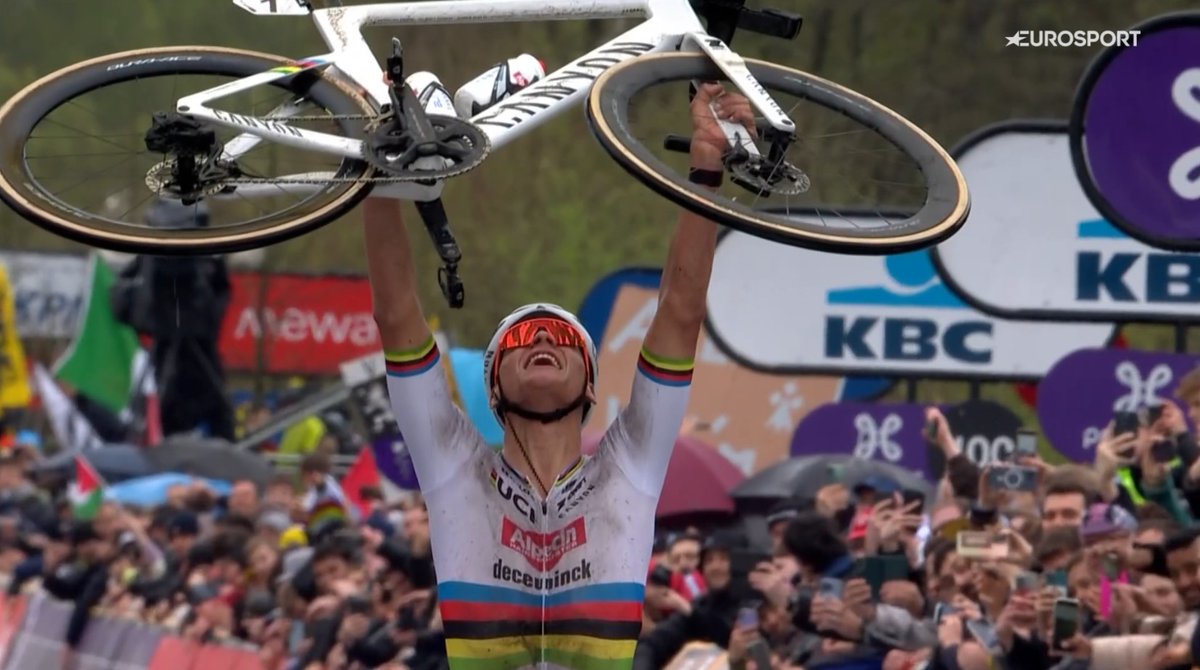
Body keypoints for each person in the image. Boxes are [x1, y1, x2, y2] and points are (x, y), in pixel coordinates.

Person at [364, 82, 751, 669]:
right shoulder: (455, 469)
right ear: (493, 388)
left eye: (565, 339)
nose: (542, 337)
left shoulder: (630, 468)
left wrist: (705, 165)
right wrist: (379, 179)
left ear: (592, 386)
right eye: (519, 339)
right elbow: (396, 316)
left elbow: (679, 309)